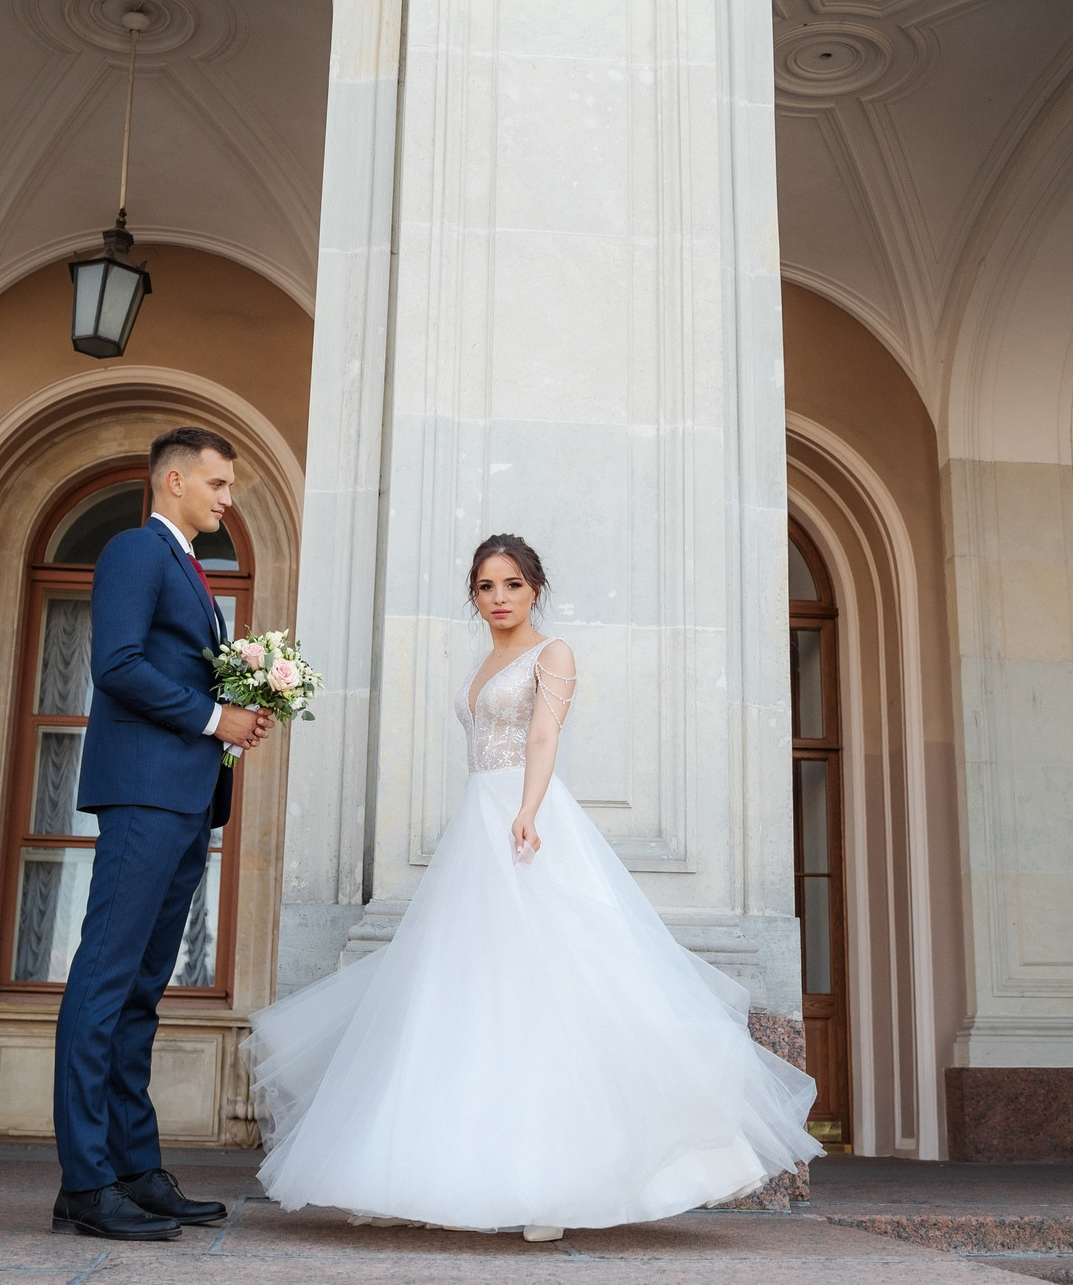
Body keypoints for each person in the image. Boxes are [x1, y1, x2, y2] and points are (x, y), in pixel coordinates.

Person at [242, 533, 820, 1240]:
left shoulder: (555, 653)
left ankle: (554, 1188)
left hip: (525, 820)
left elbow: (544, 735)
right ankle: (438, 1174)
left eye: (511, 583)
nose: (499, 597)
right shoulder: (486, 658)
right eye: (485, 586)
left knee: (548, 988)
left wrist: (528, 808)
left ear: (535, 587)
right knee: (462, 994)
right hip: (475, 824)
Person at [50, 427, 276, 1241]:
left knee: (142, 987)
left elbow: (171, 665)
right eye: (216, 483)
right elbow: (116, 663)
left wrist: (240, 706)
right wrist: (220, 715)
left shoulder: (188, 565)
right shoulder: (135, 551)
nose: (227, 497)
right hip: (143, 795)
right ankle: (85, 1180)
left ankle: (134, 1168)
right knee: (106, 979)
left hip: (183, 799)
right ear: (173, 479)